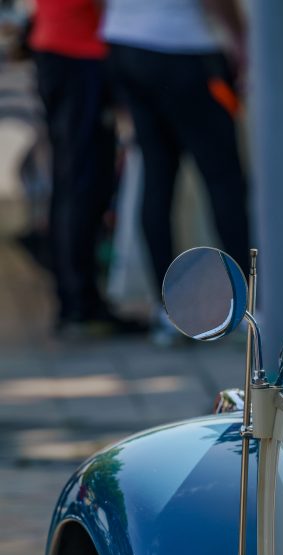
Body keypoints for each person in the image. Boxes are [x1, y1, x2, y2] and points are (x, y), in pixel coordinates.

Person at [102, 0, 249, 344]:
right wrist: (241, 37)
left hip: (124, 43)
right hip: (182, 46)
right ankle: (248, 303)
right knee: (224, 179)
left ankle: (167, 311)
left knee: (157, 175)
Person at [30, 0, 140, 336]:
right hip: (76, 51)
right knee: (83, 182)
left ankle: (77, 300)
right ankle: (80, 303)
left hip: (62, 46)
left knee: (74, 181)